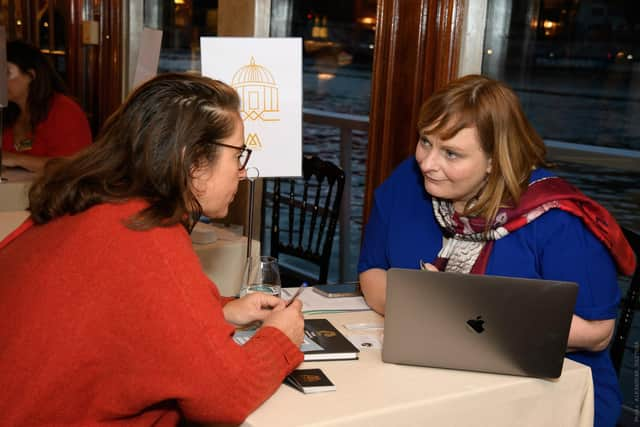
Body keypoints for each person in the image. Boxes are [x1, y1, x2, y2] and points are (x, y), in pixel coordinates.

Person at [0, 73, 305, 426]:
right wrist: (280, 338)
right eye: (238, 155)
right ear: (192, 161)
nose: (244, 172)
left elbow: (125, 311)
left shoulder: (97, 204)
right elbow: (227, 395)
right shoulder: (145, 231)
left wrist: (222, 310)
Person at [358, 74, 635, 427]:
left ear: (494, 159)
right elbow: (371, 271)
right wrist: (435, 313)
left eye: (451, 153)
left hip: (544, 396)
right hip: (432, 380)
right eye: (425, 142)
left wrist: (451, 314)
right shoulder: (407, 182)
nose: (427, 162)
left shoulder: (559, 221)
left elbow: (598, 333)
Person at [2, 40, 92, 172]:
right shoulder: (9, 112)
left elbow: (74, 165)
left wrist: (15, 159)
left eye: (6, 73)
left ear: (31, 75)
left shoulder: (63, 110)